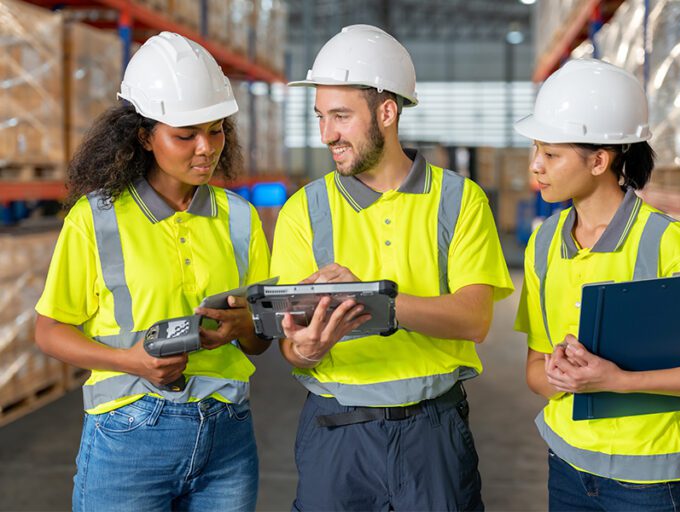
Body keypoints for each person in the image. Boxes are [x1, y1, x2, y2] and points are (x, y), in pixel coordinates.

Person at [272, 24, 514, 511]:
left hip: (434, 432)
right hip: (335, 434)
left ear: (387, 112)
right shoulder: (304, 209)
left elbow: (474, 318)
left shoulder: (458, 200)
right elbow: (291, 349)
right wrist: (306, 350)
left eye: (341, 116)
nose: (327, 135)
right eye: (320, 117)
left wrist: (370, 299)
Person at [34, 32, 270, 511]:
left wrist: (246, 326)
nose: (207, 148)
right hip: (129, 437)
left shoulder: (241, 218)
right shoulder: (95, 218)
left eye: (217, 129)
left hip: (227, 435)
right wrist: (133, 361)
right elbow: (49, 330)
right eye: (185, 135)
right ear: (144, 135)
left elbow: (259, 339)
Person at [513, 58, 680, 511]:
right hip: (567, 468)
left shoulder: (666, 243)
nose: (535, 165)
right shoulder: (543, 243)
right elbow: (534, 368)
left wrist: (619, 381)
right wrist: (557, 376)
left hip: (650, 483)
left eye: (551, 153)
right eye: (536, 149)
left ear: (599, 161)